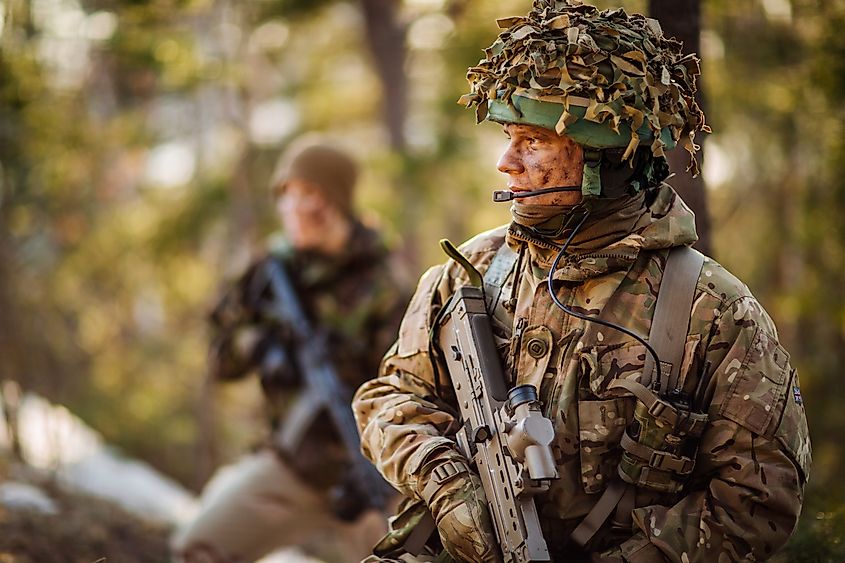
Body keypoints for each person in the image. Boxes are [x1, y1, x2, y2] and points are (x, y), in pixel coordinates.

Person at [352, 2, 811, 562]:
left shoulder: (712, 311)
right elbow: (388, 399)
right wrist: (447, 486)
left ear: (603, 161)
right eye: (508, 136)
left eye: (534, 142)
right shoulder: (473, 271)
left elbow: (757, 504)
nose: (506, 162)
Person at [172, 137, 407, 563]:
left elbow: (411, 390)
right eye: (289, 195)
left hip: (370, 473)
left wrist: (380, 463)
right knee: (198, 549)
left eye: (311, 195)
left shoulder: (384, 287)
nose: (296, 208)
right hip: (294, 467)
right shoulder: (269, 271)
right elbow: (218, 356)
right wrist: (262, 344)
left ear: (338, 202)